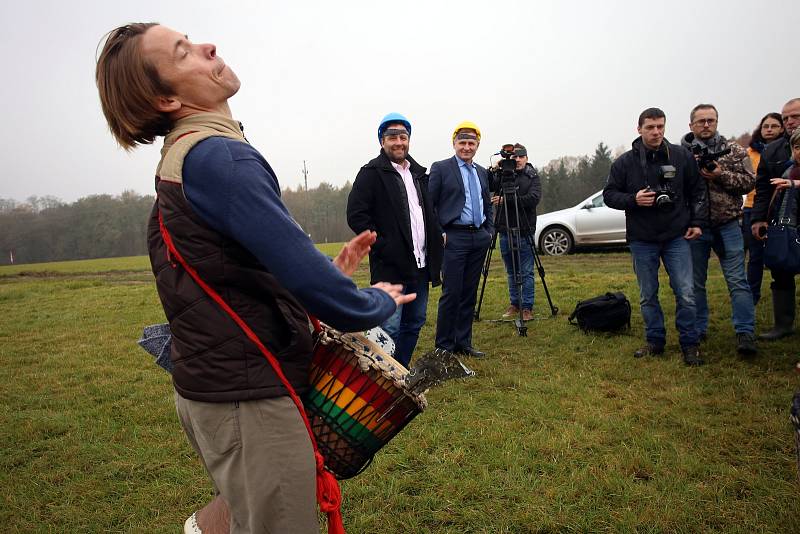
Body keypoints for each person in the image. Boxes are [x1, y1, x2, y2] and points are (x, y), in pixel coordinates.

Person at [96, 23, 413, 534]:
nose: (209, 47)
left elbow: (227, 270)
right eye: (184, 53)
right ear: (166, 97)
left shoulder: (188, 155)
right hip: (248, 397)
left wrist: (325, 276)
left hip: (220, 390)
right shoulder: (218, 155)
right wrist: (372, 300)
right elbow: (336, 304)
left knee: (245, 505)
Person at [603, 108, 708, 366]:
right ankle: (655, 340)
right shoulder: (625, 163)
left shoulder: (681, 157)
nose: (656, 132)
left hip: (676, 235)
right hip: (642, 238)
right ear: (639, 129)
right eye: (650, 127)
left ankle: (690, 344)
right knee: (648, 294)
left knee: (685, 292)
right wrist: (634, 199)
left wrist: (696, 222)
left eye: (660, 126)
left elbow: (697, 191)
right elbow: (609, 195)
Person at [347, 113, 443, 367]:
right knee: (389, 325)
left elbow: (427, 213)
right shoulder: (370, 173)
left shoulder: (419, 174)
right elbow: (356, 216)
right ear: (382, 141)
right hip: (390, 267)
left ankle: (399, 370)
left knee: (415, 322)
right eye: (392, 137)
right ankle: (379, 373)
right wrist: (384, 246)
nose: (398, 142)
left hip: (421, 265)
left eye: (403, 136)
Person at [680, 104, 757, 356]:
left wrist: (720, 174)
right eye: (700, 121)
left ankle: (745, 332)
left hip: (728, 224)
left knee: (737, 281)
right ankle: (699, 329)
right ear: (691, 125)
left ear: (716, 122)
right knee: (695, 283)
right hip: (695, 227)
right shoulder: (680, 153)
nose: (706, 125)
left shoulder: (733, 150)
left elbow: (749, 182)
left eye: (710, 120)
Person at [429, 121, 493, 358]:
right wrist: (440, 233)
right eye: (462, 143)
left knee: (469, 292)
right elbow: (430, 205)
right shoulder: (441, 168)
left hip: (479, 237)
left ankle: (463, 342)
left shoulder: (481, 172)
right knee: (452, 292)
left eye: (471, 143)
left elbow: (487, 203)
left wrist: (489, 230)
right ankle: (444, 346)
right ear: (454, 143)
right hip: (454, 237)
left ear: (477, 145)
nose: (466, 147)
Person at [752, 98, 800, 340]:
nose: (790, 121)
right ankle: (783, 324)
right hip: (784, 221)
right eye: (786, 118)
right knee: (781, 269)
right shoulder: (772, 150)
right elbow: (762, 188)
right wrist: (759, 219)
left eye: (795, 116)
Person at [490, 143, 542, 322]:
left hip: (524, 229)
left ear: (527, 158)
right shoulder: (504, 175)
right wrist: (495, 170)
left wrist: (507, 201)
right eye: (514, 157)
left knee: (526, 271)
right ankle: (514, 304)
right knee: (511, 271)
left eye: (521, 157)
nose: (518, 160)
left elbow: (533, 199)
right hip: (504, 229)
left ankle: (527, 307)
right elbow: (490, 186)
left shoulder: (532, 176)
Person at [743, 113, 785, 304]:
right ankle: (752, 294)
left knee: (780, 252)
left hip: (780, 209)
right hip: (752, 207)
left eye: (774, 126)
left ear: (782, 129)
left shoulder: (789, 151)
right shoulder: (749, 153)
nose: (769, 129)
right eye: (765, 126)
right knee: (755, 255)